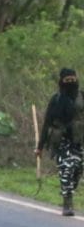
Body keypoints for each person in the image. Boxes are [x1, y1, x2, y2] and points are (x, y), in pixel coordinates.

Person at [37, 67, 84, 216]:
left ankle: (70, 190)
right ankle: (67, 203)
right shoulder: (56, 100)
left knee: (78, 170)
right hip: (62, 141)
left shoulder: (82, 97)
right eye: (67, 80)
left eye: (73, 79)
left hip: (79, 141)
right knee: (67, 169)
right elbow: (47, 123)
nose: (71, 82)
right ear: (61, 81)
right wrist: (40, 146)